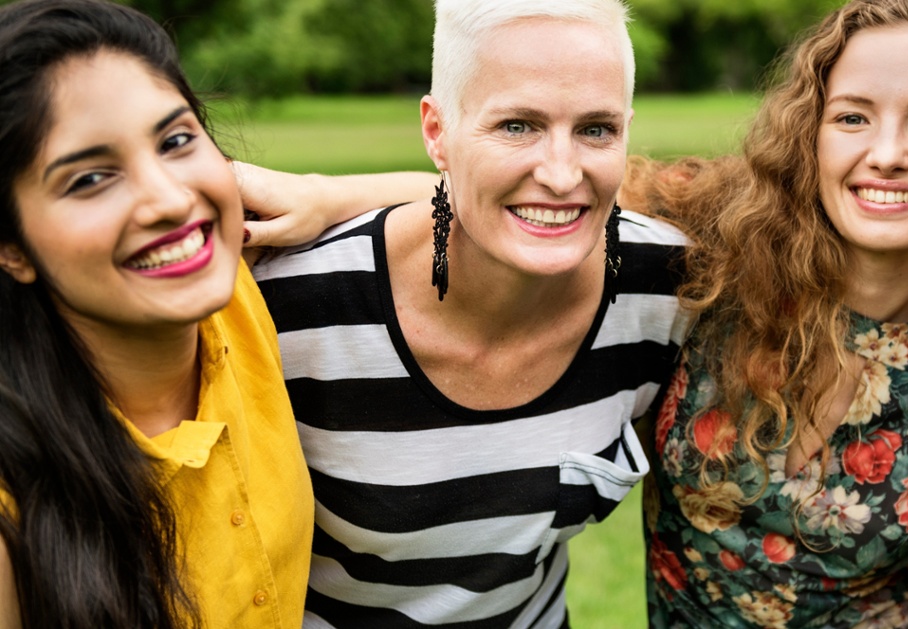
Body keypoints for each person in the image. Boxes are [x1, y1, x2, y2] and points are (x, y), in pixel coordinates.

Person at [247, 0, 689, 626]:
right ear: (437, 131)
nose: (562, 174)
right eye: (517, 125)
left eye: (596, 129)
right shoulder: (289, 309)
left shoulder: (666, 287)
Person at [622, 0, 908, 626]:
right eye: (853, 117)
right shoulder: (712, 244)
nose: (888, 154)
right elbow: (516, 200)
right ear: (809, 135)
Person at [0, 1, 313, 627]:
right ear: (12, 248)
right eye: (90, 179)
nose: (169, 200)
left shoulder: (227, 284)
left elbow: (476, 205)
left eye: (175, 141)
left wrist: (327, 194)